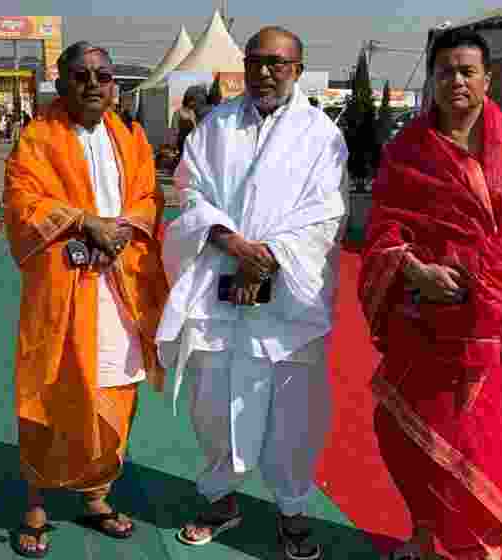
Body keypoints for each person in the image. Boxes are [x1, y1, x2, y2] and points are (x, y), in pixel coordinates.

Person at [358, 29, 502, 560]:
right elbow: (382, 230)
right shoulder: (407, 151)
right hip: (418, 317)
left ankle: (476, 550)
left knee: (480, 442)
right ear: (432, 79)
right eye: (446, 71)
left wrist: (464, 270)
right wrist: (413, 270)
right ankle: (423, 535)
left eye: (468, 71)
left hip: (484, 326)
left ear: (488, 79)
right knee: (406, 434)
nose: (457, 81)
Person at [157, 26, 347, 560]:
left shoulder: (321, 135)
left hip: (289, 301)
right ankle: (220, 501)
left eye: (279, 64)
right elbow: (189, 189)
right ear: (244, 64)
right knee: (214, 402)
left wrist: (267, 257)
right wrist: (231, 242)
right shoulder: (216, 126)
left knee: (293, 414)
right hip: (219, 285)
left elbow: (326, 212)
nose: (266, 73)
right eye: (257, 61)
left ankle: (291, 510)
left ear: (298, 70)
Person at [3, 41, 170, 558]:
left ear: (115, 83)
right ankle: (35, 505)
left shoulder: (131, 137)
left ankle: (96, 496)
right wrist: (83, 222)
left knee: (116, 391)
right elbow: (23, 202)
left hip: (120, 289)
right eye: (81, 75)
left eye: (103, 75)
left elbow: (148, 197)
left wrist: (121, 230)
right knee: (52, 389)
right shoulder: (37, 139)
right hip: (63, 292)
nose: (93, 84)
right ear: (61, 81)